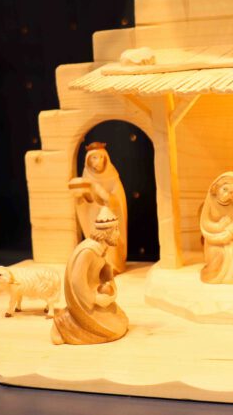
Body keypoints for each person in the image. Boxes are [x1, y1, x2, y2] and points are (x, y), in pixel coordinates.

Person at [51, 207, 129, 345]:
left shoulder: (101, 250)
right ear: (107, 232)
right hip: (85, 300)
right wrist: (95, 299)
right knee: (109, 328)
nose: (118, 234)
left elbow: (102, 271)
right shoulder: (88, 251)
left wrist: (108, 282)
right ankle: (62, 324)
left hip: (95, 293)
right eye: (116, 229)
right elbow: (77, 282)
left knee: (119, 320)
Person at [71, 142, 127, 274]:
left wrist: (99, 189)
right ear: (88, 160)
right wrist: (81, 196)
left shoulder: (112, 177)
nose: (99, 161)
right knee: (96, 244)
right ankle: (97, 266)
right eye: (94, 158)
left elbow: (116, 202)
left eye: (101, 157)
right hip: (93, 218)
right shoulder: (86, 176)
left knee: (110, 245)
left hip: (110, 219)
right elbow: (85, 202)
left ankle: (112, 266)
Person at [199, 172, 233, 284]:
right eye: (224, 189)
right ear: (218, 187)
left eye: (231, 193)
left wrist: (229, 232)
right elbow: (205, 222)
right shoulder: (211, 200)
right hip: (214, 240)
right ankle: (213, 274)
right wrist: (219, 227)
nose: (226, 195)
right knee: (216, 259)